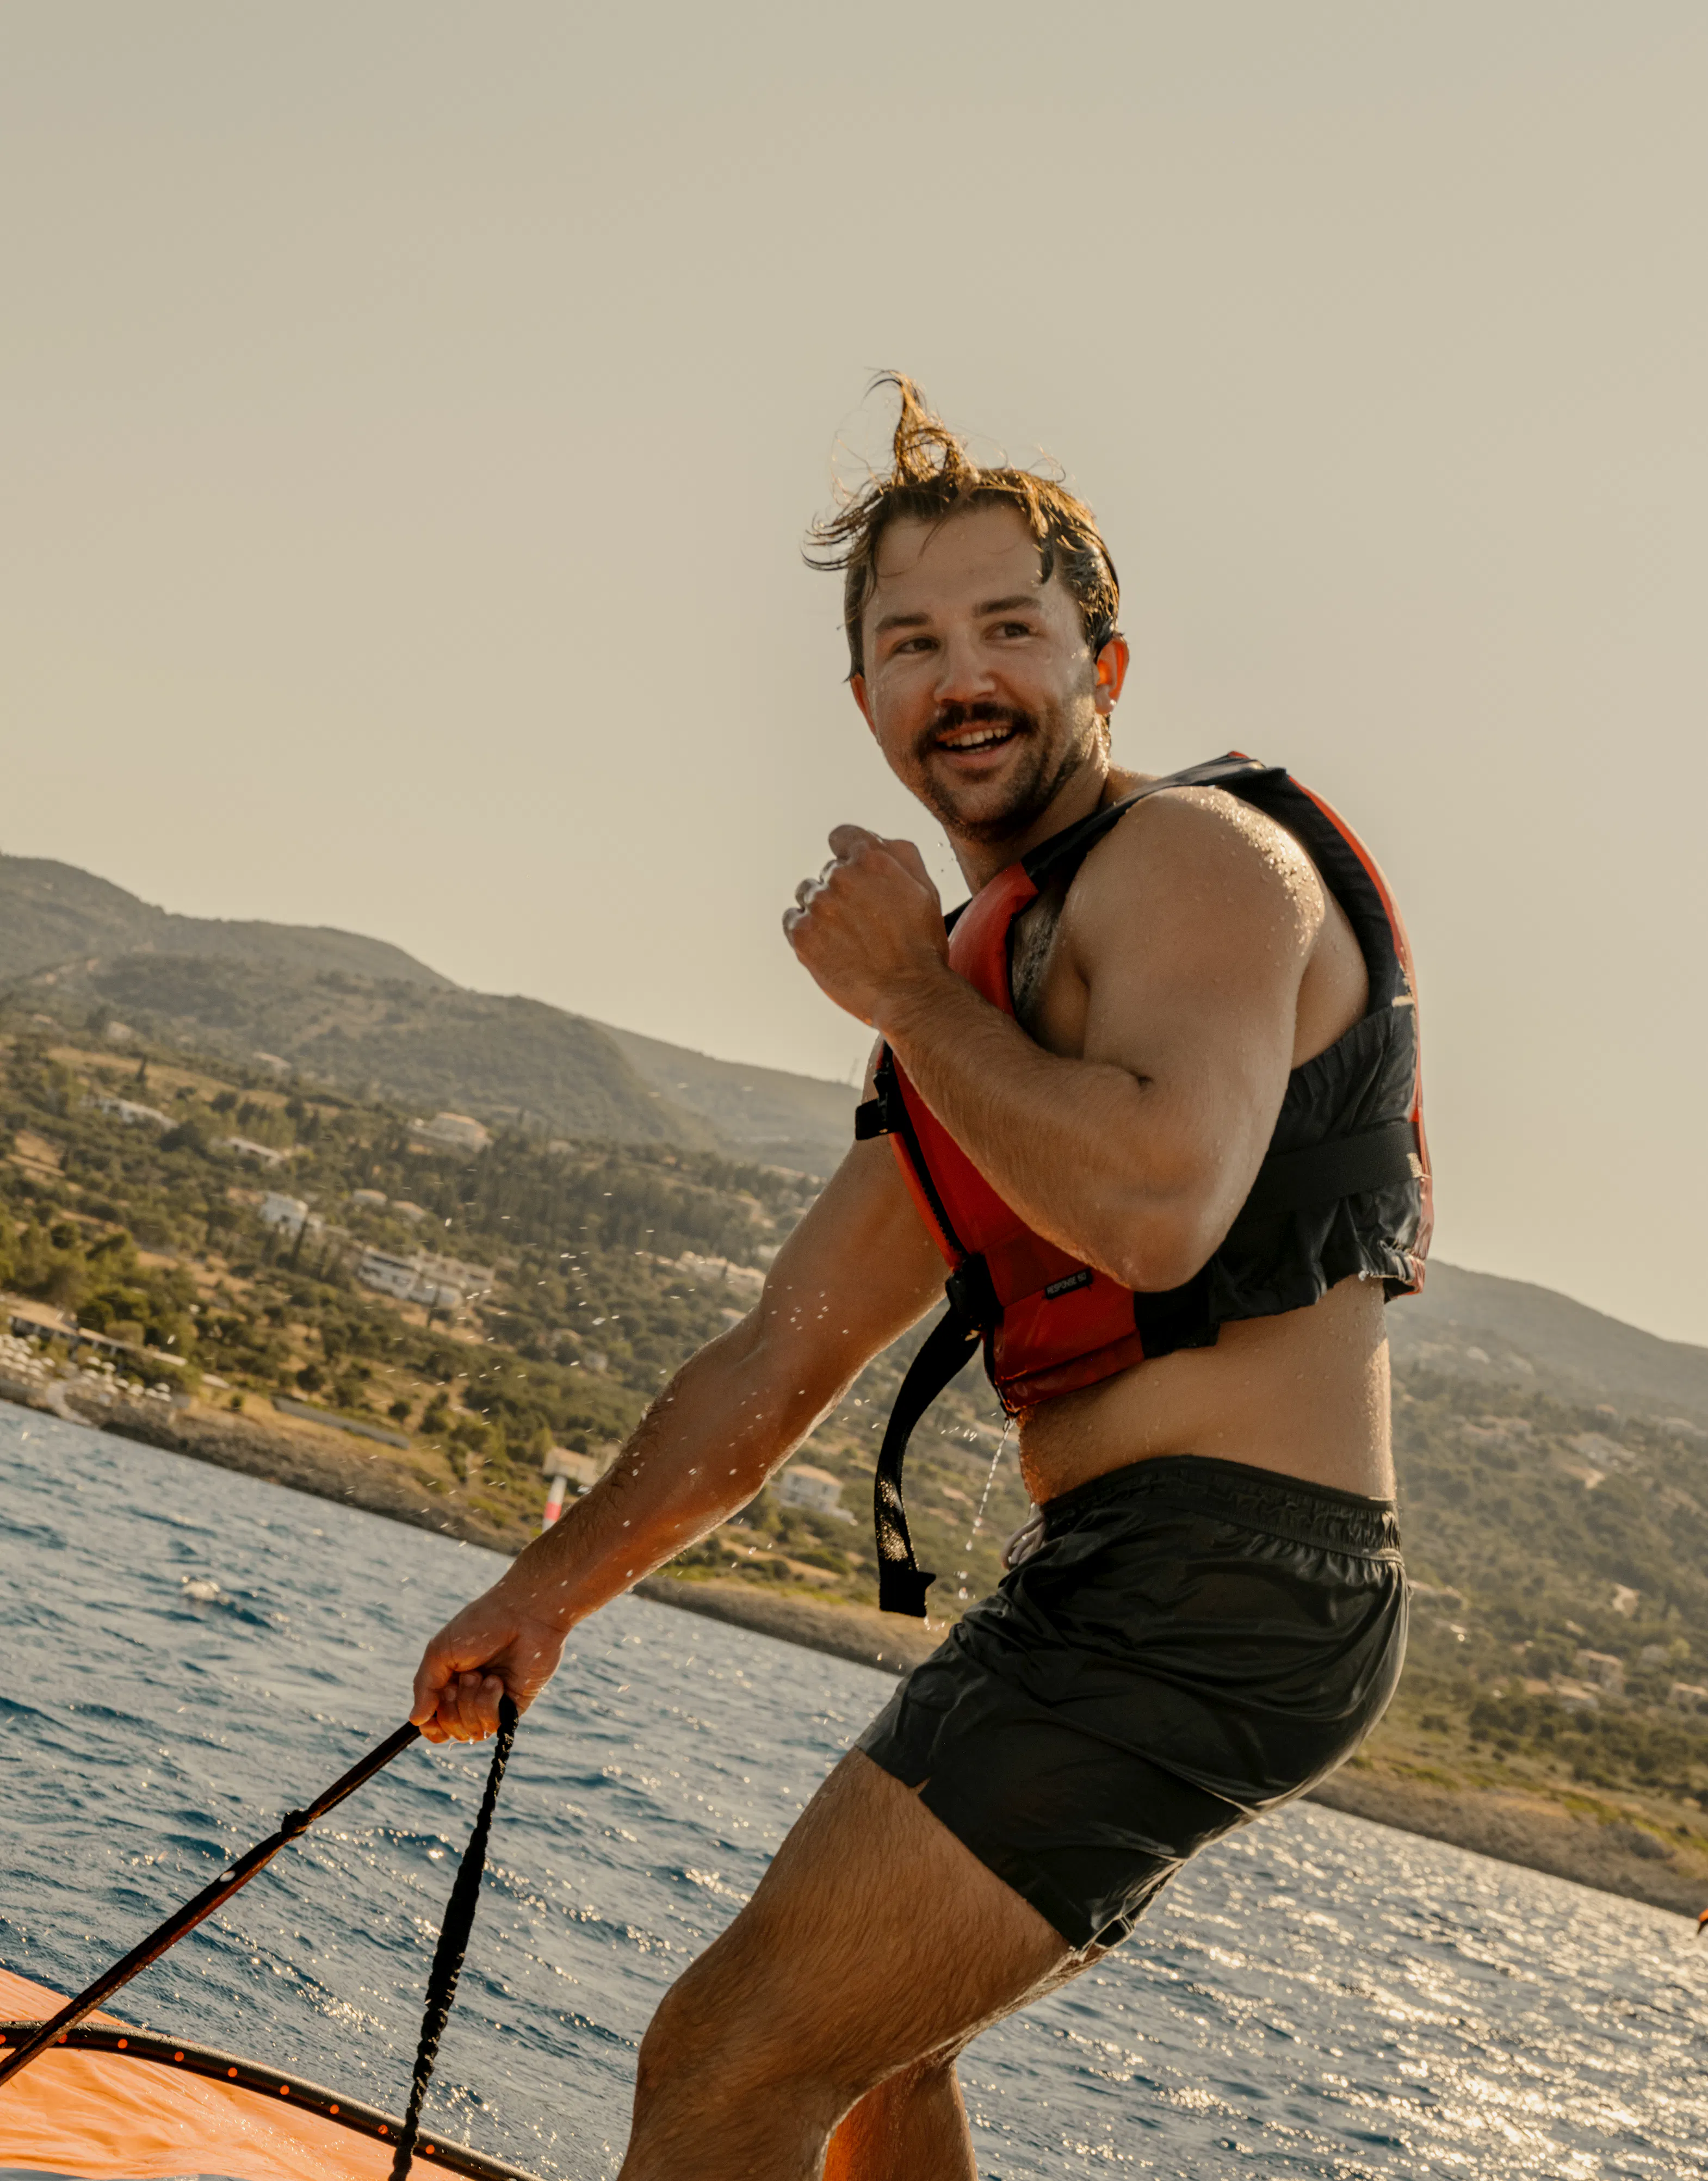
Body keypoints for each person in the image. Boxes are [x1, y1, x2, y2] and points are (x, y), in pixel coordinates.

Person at [409, 376, 1429, 2178]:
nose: (962, 674)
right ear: (865, 699)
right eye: (911, 641)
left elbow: (1163, 1214)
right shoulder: (971, 1007)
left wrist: (897, 992)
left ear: (1103, 671)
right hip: (1130, 1578)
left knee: (726, 2060)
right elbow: (770, 1366)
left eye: (1009, 630)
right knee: (883, 2057)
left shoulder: (1195, 863)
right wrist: (548, 1592)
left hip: (1226, 1588)